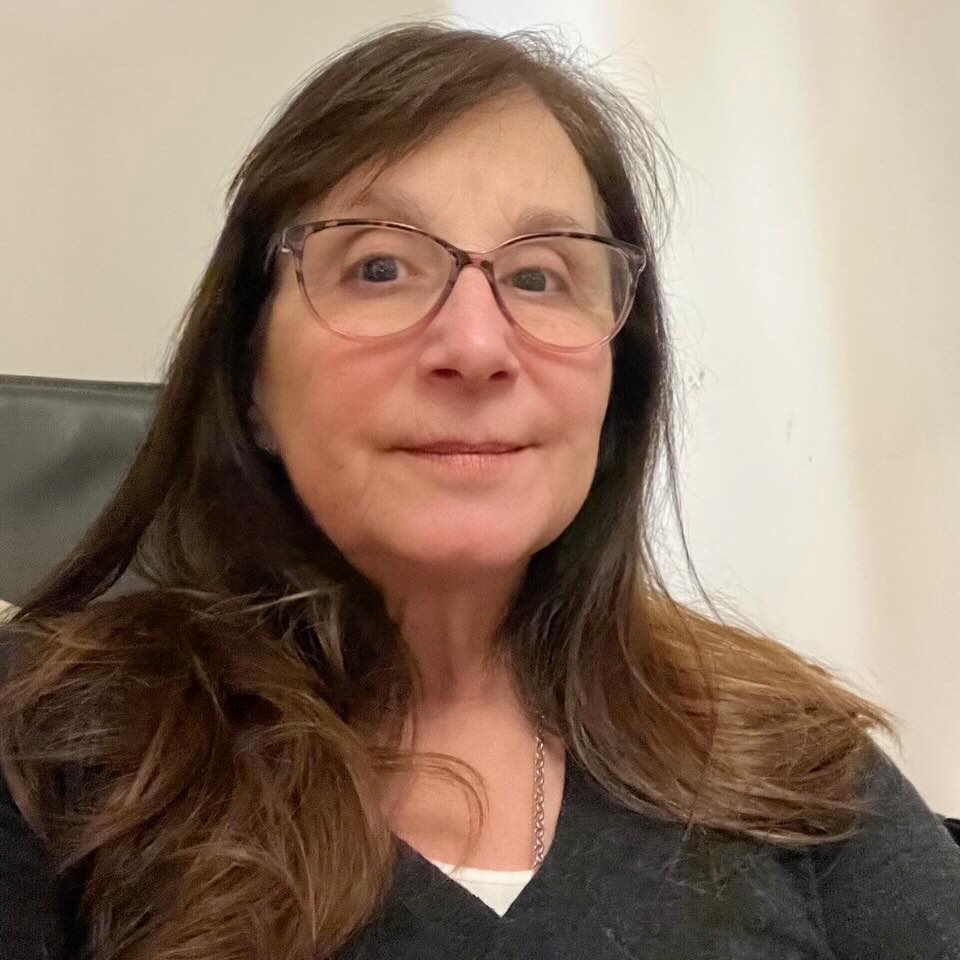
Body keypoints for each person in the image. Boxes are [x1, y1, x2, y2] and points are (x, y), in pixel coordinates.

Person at [1, 21, 958, 960]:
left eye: (540, 276)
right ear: (251, 384)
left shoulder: (787, 756)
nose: (475, 345)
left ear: (615, 386)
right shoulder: (51, 746)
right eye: (379, 267)